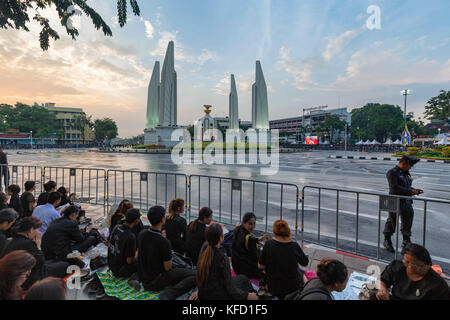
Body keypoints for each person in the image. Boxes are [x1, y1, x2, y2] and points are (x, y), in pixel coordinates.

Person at [137, 205, 196, 300]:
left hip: (144, 277)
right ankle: (170, 294)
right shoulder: (164, 242)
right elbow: (167, 267)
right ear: (162, 220)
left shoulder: (142, 234)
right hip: (156, 280)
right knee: (195, 275)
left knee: (182, 272)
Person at [2, 217, 70, 290]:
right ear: (31, 230)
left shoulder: (11, 240)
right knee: (64, 265)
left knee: (54, 261)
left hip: (13, 276)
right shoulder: (28, 243)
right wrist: (38, 245)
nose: (38, 232)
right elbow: (40, 262)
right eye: (37, 230)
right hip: (25, 278)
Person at [197, 223, 258, 300]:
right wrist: (247, 296)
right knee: (244, 281)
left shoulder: (205, 248)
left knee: (243, 278)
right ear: (221, 238)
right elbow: (230, 288)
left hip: (204, 294)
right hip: (217, 295)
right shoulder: (222, 257)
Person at [376, 243, 450, 300]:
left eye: (415, 265)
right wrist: (382, 288)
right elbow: (382, 280)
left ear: (428, 265)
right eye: (406, 262)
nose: (409, 267)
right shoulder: (398, 267)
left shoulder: (437, 284)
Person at [258, 220, 309, 299]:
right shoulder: (294, 246)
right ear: (288, 232)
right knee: (301, 271)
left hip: (274, 287)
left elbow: (260, 266)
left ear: (274, 233)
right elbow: (305, 262)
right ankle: (306, 292)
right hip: (292, 287)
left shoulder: (269, 244)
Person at [383, 155, 423, 253]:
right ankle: (387, 240)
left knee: (408, 220)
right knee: (392, 221)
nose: (411, 167)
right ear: (404, 163)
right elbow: (394, 188)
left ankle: (406, 242)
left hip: (406, 200)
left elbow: (407, 185)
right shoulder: (392, 172)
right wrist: (411, 192)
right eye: (410, 165)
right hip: (393, 200)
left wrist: (413, 190)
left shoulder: (406, 173)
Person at [41, 205, 100, 270]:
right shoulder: (70, 223)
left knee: (89, 235)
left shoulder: (57, 221)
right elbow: (80, 239)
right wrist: (88, 231)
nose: (77, 217)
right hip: (58, 253)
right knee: (92, 238)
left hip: (47, 251)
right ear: (72, 214)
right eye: (77, 215)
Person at [232, 212, 270, 279]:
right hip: (245, 270)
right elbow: (256, 257)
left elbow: (249, 239)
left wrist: (258, 240)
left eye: (254, 223)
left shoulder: (238, 229)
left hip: (236, 266)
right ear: (243, 223)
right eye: (250, 224)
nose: (252, 226)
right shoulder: (248, 239)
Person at [108, 208, 141, 278]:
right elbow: (129, 261)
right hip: (120, 271)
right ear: (137, 221)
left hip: (111, 265)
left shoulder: (116, 227)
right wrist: (137, 253)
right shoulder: (131, 237)